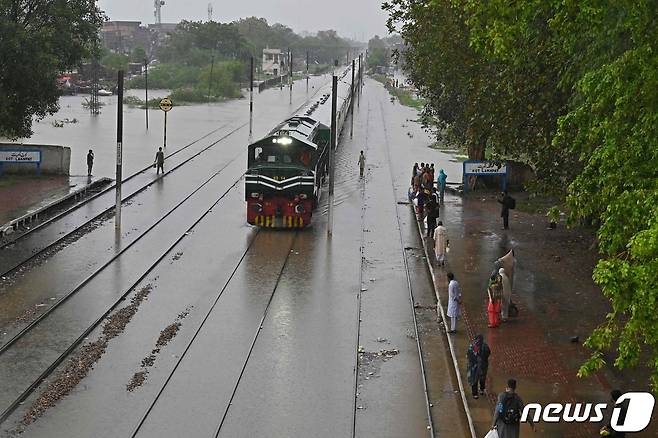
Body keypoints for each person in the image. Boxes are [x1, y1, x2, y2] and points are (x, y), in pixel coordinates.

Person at [467, 334, 491, 398]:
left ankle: (475, 393)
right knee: (482, 378)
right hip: (482, 366)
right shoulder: (485, 346)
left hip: (475, 366)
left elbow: (469, 356)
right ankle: (481, 389)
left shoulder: (473, 346)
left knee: (474, 379)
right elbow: (488, 353)